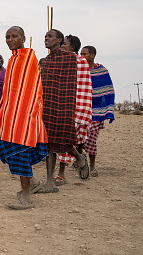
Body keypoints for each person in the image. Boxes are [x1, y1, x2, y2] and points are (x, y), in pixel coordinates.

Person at [0, 26, 48, 209]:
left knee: (20, 153)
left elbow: (31, 89)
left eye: (14, 36)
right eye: (7, 36)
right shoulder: (14, 59)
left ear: (23, 38)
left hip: (24, 117)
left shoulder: (28, 56)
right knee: (5, 149)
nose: (10, 39)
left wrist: (25, 114)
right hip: (11, 115)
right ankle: (33, 182)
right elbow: (11, 92)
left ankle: (26, 198)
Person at [39, 29, 90, 193]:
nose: (46, 38)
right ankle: (49, 182)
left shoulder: (71, 59)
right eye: (45, 36)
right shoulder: (46, 61)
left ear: (59, 40)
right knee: (49, 144)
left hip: (64, 106)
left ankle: (80, 158)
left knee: (64, 139)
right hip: (48, 105)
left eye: (50, 36)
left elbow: (80, 82)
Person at [55, 35, 92, 185]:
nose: (62, 46)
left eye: (64, 44)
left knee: (66, 139)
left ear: (72, 48)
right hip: (60, 105)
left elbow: (83, 87)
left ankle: (62, 173)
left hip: (77, 107)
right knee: (59, 139)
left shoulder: (81, 62)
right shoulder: (58, 61)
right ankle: (79, 158)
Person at [80, 45, 115, 177]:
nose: (82, 56)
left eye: (85, 54)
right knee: (79, 139)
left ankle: (92, 166)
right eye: (81, 54)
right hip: (82, 109)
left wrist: (107, 109)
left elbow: (108, 89)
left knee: (91, 139)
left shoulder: (102, 70)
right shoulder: (78, 70)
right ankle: (81, 161)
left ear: (92, 55)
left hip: (97, 112)